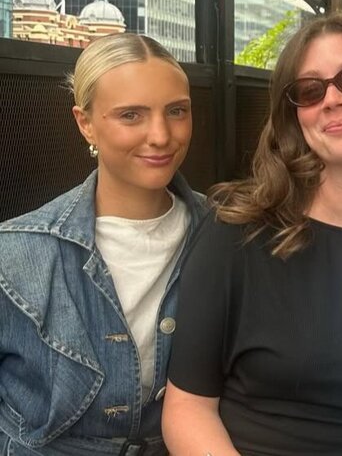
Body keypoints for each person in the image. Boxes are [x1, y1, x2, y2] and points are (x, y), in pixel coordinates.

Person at [162, 12, 342, 456]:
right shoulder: (237, 234)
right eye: (310, 90)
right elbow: (188, 408)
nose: (332, 99)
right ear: (295, 115)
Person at [0, 33, 206, 455]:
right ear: (85, 122)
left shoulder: (227, 232)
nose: (161, 135)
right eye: (131, 115)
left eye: (176, 111)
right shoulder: (16, 253)